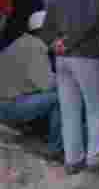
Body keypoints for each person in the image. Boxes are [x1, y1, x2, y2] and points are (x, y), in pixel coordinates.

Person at [46, 0, 99, 173]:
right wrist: (70, 42)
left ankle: (73, 160)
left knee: (69, 109)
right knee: (97, 106)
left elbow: (47, 27)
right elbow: (92, 22)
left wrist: (57, 44)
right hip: (85, 55)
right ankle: (94, 159)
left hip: (61, 57)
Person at [0, 11, 63, 161]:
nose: (58, 35)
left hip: (7, 102)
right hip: (7, 107)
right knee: (59, 98)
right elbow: (48, 85)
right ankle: (55, 149)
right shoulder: (35, 48)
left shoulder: (23, 42)